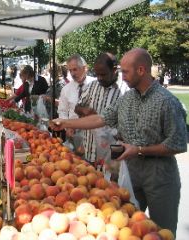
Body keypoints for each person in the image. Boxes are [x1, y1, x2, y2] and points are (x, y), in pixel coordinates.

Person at [50, 48, 187, 236]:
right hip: (130, 174)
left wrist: (138, 149)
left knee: (161, 231)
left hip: (160, 177)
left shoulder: (166, 101)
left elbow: (178, 144)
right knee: (129, 228)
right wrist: (65, 122)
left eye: (125, 71)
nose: (121, 76)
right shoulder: (128, 98)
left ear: (141, 70)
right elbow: (100, 119)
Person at [74, 53, 129, 164]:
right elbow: (77, 107)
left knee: (110, 179)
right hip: (89, 150)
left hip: (112, 154)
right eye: (97, 74)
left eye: (103, 74)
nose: (99, 78)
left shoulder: (125, 90)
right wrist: (84, 110)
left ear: (114, 70)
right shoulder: (91, 86)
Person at [57, 54, 95, 146]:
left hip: (94, 133)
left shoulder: (96, 85)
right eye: (70, 70)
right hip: (74, 134)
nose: (73, 73)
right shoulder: (66, 89)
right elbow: (62, 112)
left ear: (84, 68)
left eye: (75, 69)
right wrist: (67, 126)